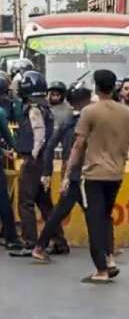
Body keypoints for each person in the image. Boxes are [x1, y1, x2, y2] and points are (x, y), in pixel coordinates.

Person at [64, 70, 129, 283]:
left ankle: (101, 269)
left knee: (94, 221)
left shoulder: (89, 112)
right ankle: (109, 259)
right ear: (115, 87)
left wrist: (68, 172)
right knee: (106, 217)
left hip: (93, 173)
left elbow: (78, 145)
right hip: (117, 173)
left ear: (96, 87)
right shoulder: (127, 113)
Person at [31, 87, 94, 263]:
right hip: (83, 172)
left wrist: (48, 171)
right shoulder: (87, 121)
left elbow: (50, 146)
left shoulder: (69, 121)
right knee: (95, 212)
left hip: (72, 171)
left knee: (61, 212)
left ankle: (40, 246)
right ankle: (106, 250)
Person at [10, 71, 67, 257]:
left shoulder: (34, 108)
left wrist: (33, 154)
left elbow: (39, 133)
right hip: (45, 161)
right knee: (44, 203)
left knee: (25, 202)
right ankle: (59, 240)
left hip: (34, 160)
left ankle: (30, 242)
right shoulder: (46, 107)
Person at [0, 77, 21, 252]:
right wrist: (18, 149)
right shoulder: (0, 112)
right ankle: (11, 237)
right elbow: (9, 137)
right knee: (3, 199)